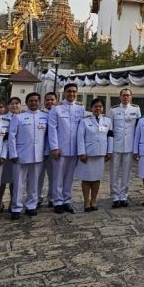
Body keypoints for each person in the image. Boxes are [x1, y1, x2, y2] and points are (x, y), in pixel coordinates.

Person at [8, 92, 48, 219]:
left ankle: (31, 205)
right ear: (26, 102)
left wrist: (46, 151)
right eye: (31, 101)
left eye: (36, 100)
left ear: (39, 102)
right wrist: (13, 153)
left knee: (34, 182)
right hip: (21, 155)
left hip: (38, 154)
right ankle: (16, 207)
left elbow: (47, 137)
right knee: (19, 183)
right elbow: (12, 136)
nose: (34, 103)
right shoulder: (19, 117)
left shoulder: (44, 116)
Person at [47, 84, 85, 214]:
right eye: (69, 91)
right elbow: (52, 129)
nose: (71, 94)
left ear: (77, 93)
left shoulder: (81, 109)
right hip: (60, 149)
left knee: (69, 176)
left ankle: (67, 200)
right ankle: (57, 201)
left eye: (74, 91)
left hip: (74, 149)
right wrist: (54, 147)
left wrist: (82, 149)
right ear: (64, 93)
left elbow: (82, 130)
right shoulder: (56, 109)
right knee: (58, 176)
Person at [107, 88, 141, 209]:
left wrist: (137, 148)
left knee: (126, 172)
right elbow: (109, 131)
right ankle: (115, 196)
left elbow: (138, 130)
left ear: (131, 97)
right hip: (116, 145)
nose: (126, 97)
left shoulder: (136, 109)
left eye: (128, 95)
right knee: (114, 172)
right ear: (120, 97)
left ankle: (124, 195)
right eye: (124, 95)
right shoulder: (113, 110)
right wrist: (109, 149)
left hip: (129, 145)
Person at [76, 97, 110, 211]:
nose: (98, 108)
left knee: (96, 179)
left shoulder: (107, 121)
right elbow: (80, 138)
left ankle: (94, 201)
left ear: (103, 108)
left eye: (100, 106)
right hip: (88, 154)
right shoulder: (84, 121)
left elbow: (110, 137)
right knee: (86, 179)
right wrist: (81, 152)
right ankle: (86, 202)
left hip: (100, 154)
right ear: (91, 108)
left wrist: (109, 151)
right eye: (96, 106)